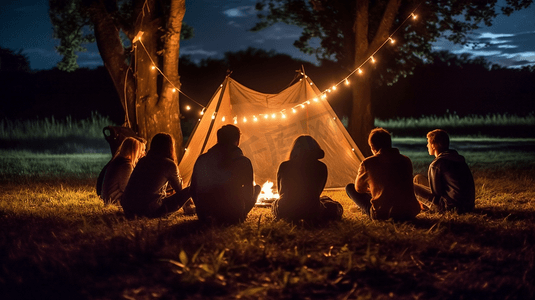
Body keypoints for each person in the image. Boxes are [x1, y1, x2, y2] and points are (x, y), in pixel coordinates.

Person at [190, 124, 261, 224]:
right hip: (233, 215)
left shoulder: (202, 159)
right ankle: (241, 213)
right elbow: (249, 194)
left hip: (205, 215)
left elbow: (193, 189)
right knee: (257, 188)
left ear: (218, 139)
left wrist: (202, 208)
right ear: (237, 140)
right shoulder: (243, 161)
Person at [346, 128, 421, 221]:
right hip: (410, 212)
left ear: (372, 147)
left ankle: (366, 209)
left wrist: (370, 190)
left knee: (350, 188)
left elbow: (359, 189)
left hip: (384, 214)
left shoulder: (368, 163)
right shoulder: (406, 160)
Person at [271, 135, 343, 223]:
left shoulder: (284, 166)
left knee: (275, 203)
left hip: (285, 210)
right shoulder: (321, 167)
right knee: (334, 205)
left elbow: (281, 192)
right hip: (312, 210)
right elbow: (317, 192)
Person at [121, 133, 191, 218]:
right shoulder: (169, 164)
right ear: (170, 147)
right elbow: (179, 189)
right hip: (149, 211)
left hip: (129, 209)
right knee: (190, 189)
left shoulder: (142, 160)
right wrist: (178, 175)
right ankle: (190, 208)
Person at [413, 129, 475, 213]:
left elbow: (436, 193)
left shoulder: (436, 164)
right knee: (418, 178)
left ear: (434, 145)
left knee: (412, 186)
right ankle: (423, 206)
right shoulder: (457, 158)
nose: (427, 146)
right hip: (468, 206)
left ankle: (413, 207)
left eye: (428, 143)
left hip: (450, 207)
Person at [100, 137, 145, 205]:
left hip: (110, 198)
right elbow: (127, 189)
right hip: (115, 200)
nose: (144, 153)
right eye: (141, 150)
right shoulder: (126, 166)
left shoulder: (119, 161)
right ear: (134, 151)